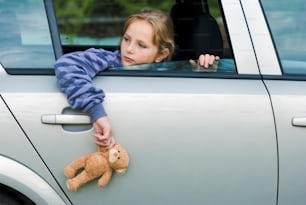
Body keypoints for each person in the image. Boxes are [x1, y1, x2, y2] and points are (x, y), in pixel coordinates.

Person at [54, 9, 219, 150]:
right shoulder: (110, 60)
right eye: (126, 39)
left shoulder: (173, 70)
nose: (129, 49)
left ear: (161, 55)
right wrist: (95, 111)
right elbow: (66, 65)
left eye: (142, 45)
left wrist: (204, 67)